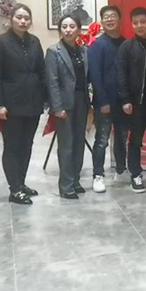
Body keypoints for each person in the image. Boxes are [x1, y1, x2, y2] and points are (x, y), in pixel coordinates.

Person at [0, 4, 46, 205]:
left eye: (26, 18)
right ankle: (14, 189)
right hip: (11, 103)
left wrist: (44, 98)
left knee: (27, 144)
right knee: (12, 146)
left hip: (32, 101)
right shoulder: (1, 42)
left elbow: (41, 71)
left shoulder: (34, 41)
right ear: (11, 19)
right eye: (19, 17)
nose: (23, 21)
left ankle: (21, 183)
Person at [45, 14, 89, 200]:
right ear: (60, 30)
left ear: (78, 29)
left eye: (72, 26)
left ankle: (76, 180)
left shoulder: (84, 50)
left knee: (79, 143)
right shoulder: (53, 51)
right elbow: (52, 81)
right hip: (63, 103)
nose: (68, 30)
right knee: (66, 145)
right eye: (64, 27)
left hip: (82, 101)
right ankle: (66, 185)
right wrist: (57, 107)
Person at [119, 7, 146, 192]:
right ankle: (135, 174)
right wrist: (125, 99)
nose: (139, 26)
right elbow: (121, 74)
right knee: (136, 139)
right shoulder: (127, 47)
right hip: (137, 101)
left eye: (143, 22)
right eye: (135, 23)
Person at [88, 5, 127, 193]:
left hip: (123, 101)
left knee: (121, 137)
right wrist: (103, 101)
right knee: (102, 139)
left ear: (120, 20)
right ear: (102, 21)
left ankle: (121, 170)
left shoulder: (126, 43)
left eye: (113, 16)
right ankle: (98, 175)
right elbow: (95, 75)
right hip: (104, 102)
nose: (110, 19)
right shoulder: (97, 45)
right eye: (106, 17)